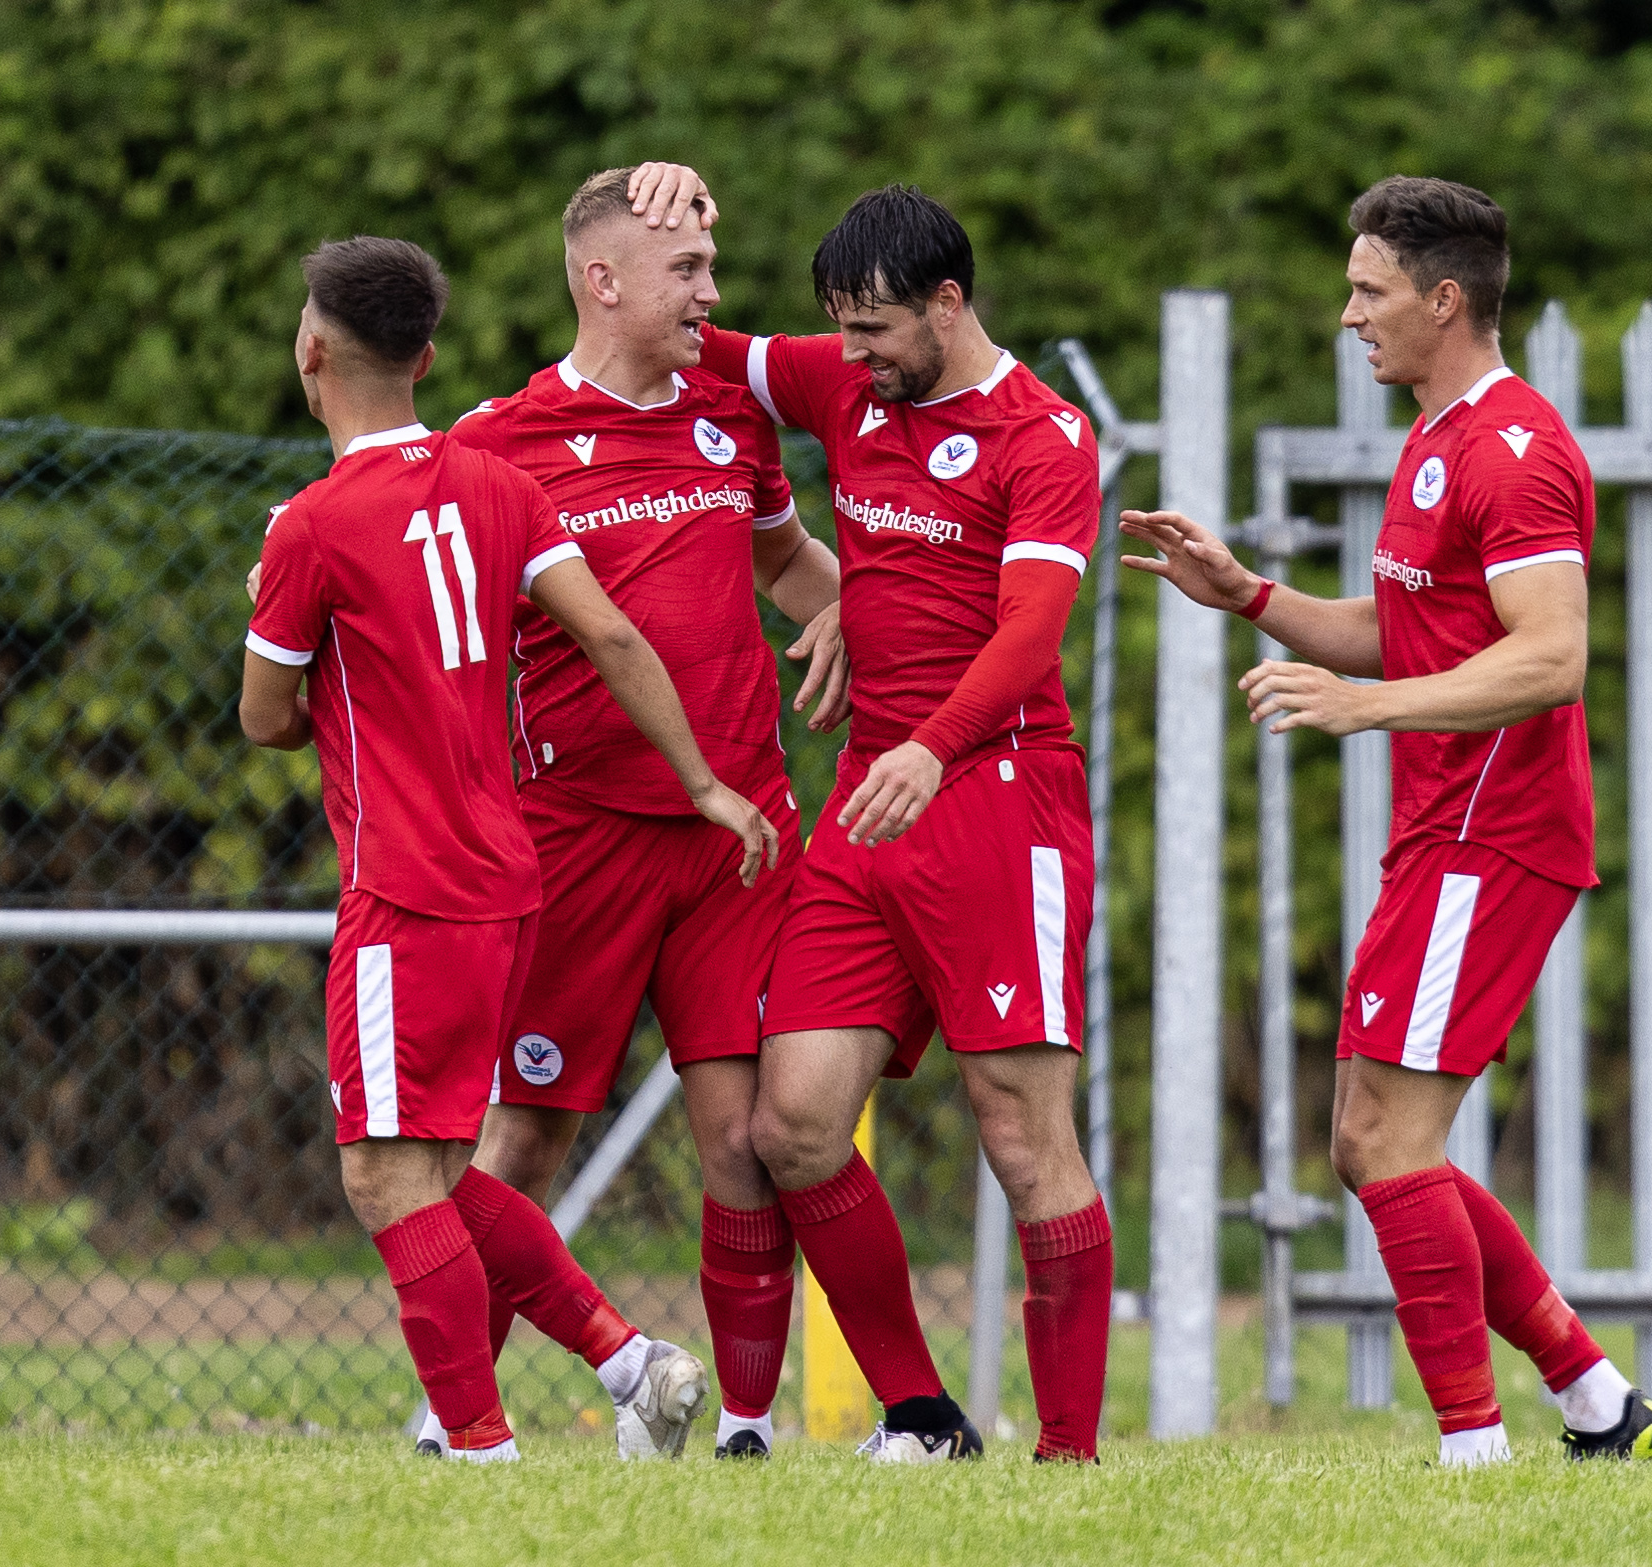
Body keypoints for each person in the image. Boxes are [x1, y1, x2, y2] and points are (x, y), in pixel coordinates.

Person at [1120, 175, 1652, 1466]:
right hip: (1445, 831)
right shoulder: (1431, 439)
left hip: (1494, 833)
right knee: (1365, 1135)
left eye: (1367, 292)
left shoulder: (1513, 449)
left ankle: (1472, 1451)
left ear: (1442, 300)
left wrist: (1366, 705)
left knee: (1384, 1140)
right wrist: (1247, 592)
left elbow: (1548, 657)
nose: (1345, 314)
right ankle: (1594, 1403)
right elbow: (1409, 627)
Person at [240, 234, 779, 1461]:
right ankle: (633, 1363)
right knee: (434, 1166)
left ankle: (477, 1448)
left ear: (309, 352)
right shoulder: (500, 488)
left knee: (384, 1179)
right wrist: (703, 781)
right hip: (508, 873)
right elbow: (616, 639)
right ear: (427, 359)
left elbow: (266, 717)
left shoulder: (310, 528)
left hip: (403, 884)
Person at [628, 165, 1112, 1465]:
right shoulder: (846, 381)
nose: (847, 355)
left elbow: (1028, 633)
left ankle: (1067, 1457)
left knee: (1023, 1132)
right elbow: (683, 331)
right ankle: (925, 1413)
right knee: (789, 1122)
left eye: (874, 328)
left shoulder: (1044, 437)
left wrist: (936, 744)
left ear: (945, 304)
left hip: (997, 803)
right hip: (867, 806)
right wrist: (672, 209)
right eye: (837, 327)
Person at [428, 166, 846, 1462]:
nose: (713, 297)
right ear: (600, 281)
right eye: (687, 274)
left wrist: (851, 608)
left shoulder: (728, 412)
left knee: (742, 1136)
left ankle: (737, 1424)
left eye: (713, 271)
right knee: (528, 1131)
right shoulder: (496, 443)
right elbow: (438, 636)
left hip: (736, 838)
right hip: (574, 839)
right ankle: (462, 1419)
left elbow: (781, 557)